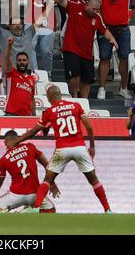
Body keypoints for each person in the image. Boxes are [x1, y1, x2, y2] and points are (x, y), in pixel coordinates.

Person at [10, 85, 112, 213]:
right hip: (79, 147)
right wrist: (92, 147)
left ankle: (36, 208)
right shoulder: (75, 106)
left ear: (49, 97)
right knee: (93, 180)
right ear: (60, 94)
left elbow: (33, 131)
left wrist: (18, 140)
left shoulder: (50, 111)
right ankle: (108, 210)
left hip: (63, 149)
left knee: (48, 179)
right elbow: (90, 128)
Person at [57, 0, 117, 98]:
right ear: (87, 5)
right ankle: (75, 97)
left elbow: (104, 30)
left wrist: (112, 39)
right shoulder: (75, 7)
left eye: (97, 9)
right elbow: (60, 1)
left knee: (87, 79)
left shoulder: (97, 17)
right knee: (74, 75)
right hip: (71, 49)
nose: (95, 11)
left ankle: (84, 101)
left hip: (87, 53)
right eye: (93, 9)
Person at [0, 129, 58, 213]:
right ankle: (35, 221)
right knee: (50, 209)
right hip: (34, 194)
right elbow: (47, 165)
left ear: (5, 142)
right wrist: (51, 182)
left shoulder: (3, 160)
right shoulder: (30, 147)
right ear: (18, 139)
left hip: (15, 196)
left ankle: (10, 218)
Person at [17, 0, 58, 77]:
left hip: (47, 23)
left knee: (47, 52)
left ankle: (47, 73)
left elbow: (51, 3)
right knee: (30, 48)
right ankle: (34, 73)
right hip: (31, 21)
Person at [5, 37, 36, 116]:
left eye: (24, 60)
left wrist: (34, 117)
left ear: (28, 62)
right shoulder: (11, 73)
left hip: (26, 116)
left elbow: (32, 99)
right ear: (16, 62)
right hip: (11, 114)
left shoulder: (32, 79)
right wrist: (9, 46)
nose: (21, 62)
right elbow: (7, 59)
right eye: (19, 60)